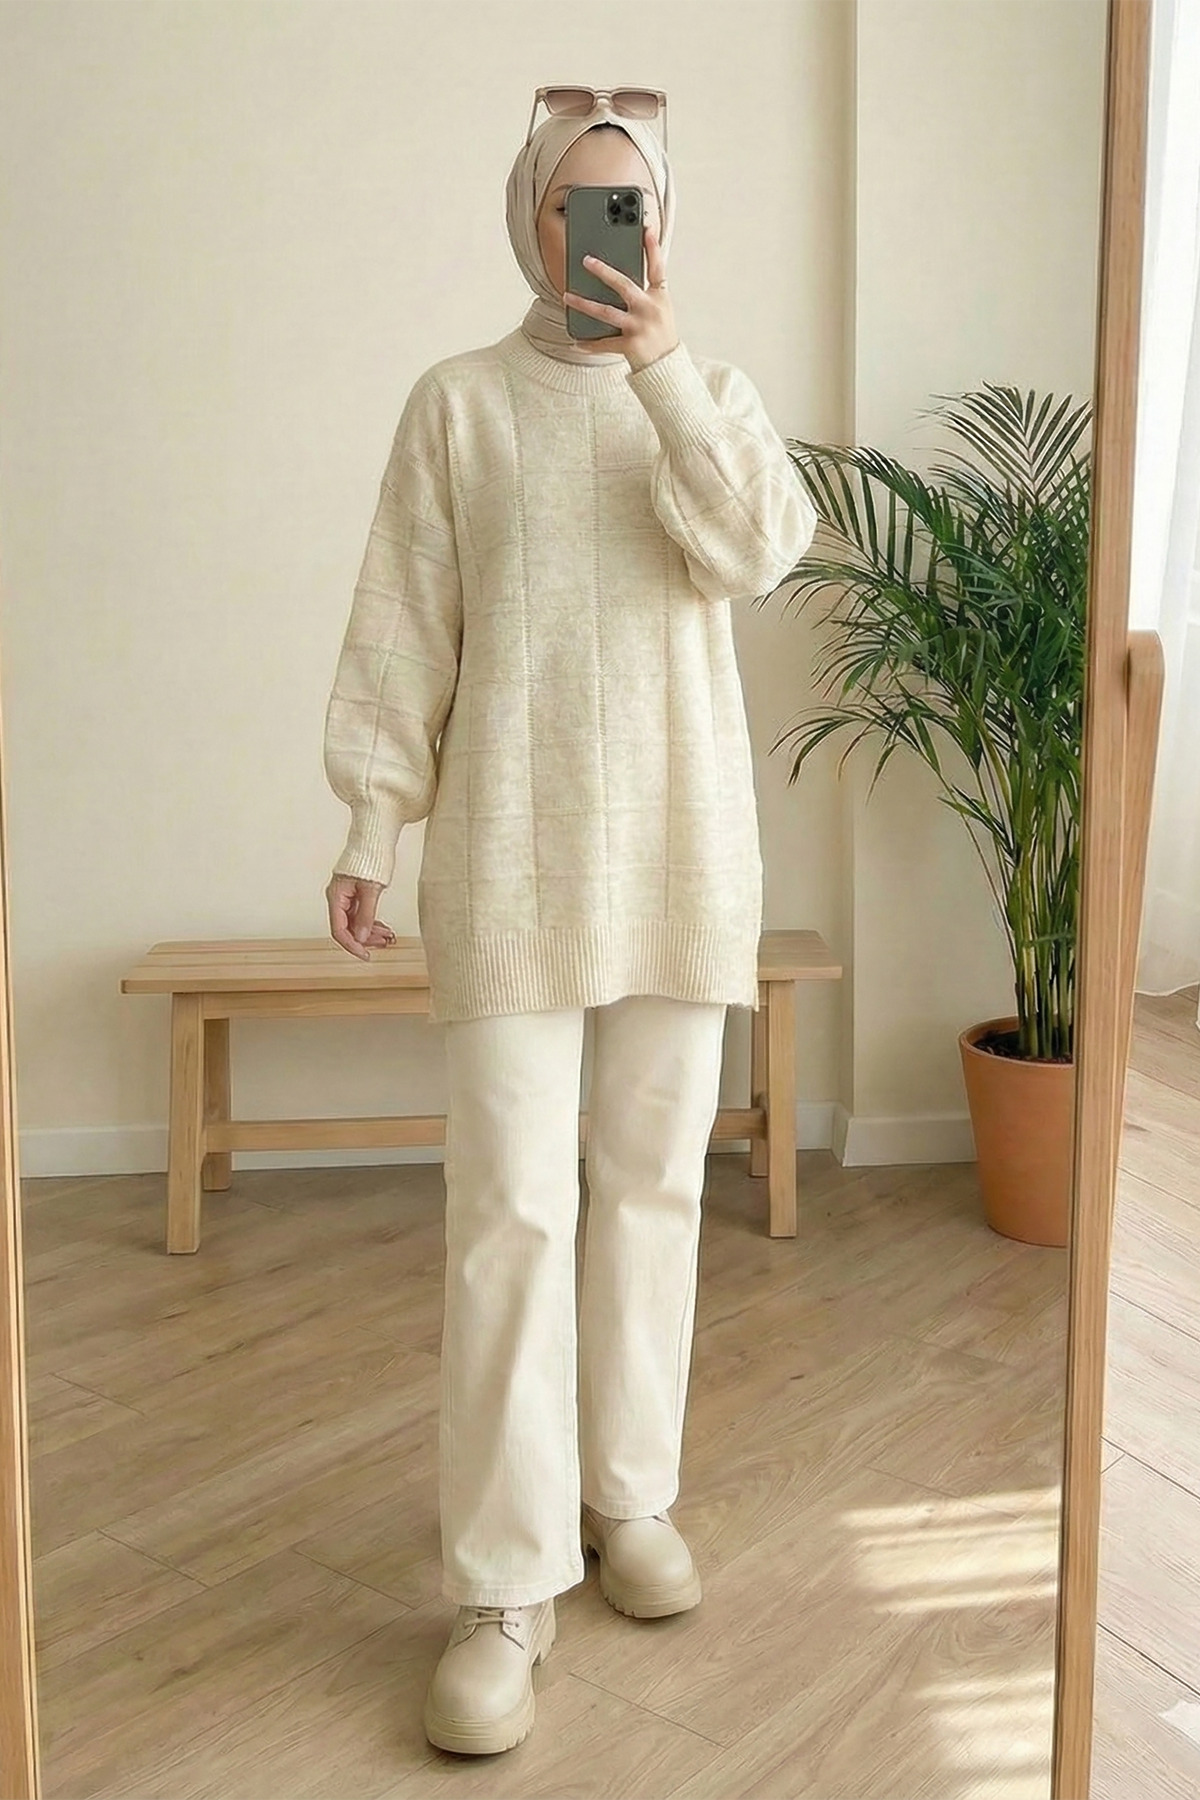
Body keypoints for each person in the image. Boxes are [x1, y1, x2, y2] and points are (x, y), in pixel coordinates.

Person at [322, 85, 817, 1758]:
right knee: (509, 1214)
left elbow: (758, 552)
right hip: (512, 855)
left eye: (630, 206)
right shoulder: (457, 405)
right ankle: (503, 1583)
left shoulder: (712, 400)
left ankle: (629, 1498)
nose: (602, 233)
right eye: (573, 203)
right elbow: (404, 623)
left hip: (680, 853)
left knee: (656, 1187)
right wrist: (371, 823)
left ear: (662, 226)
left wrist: (662, 370)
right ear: (527, 216)